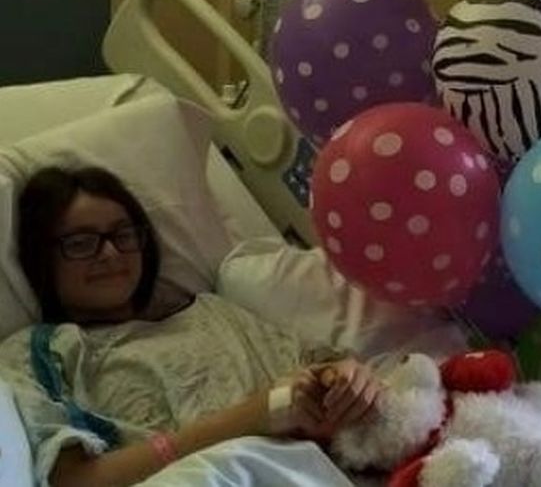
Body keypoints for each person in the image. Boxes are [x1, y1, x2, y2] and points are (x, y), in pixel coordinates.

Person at [0, 165, 389, 487]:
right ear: (41, 257)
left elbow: (319, 372)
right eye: (82, 242)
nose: (111, 253)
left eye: (123, 234)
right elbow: (74, 482)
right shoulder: (42, 352)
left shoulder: (213, 312)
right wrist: (253, 416)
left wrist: (344, 383)